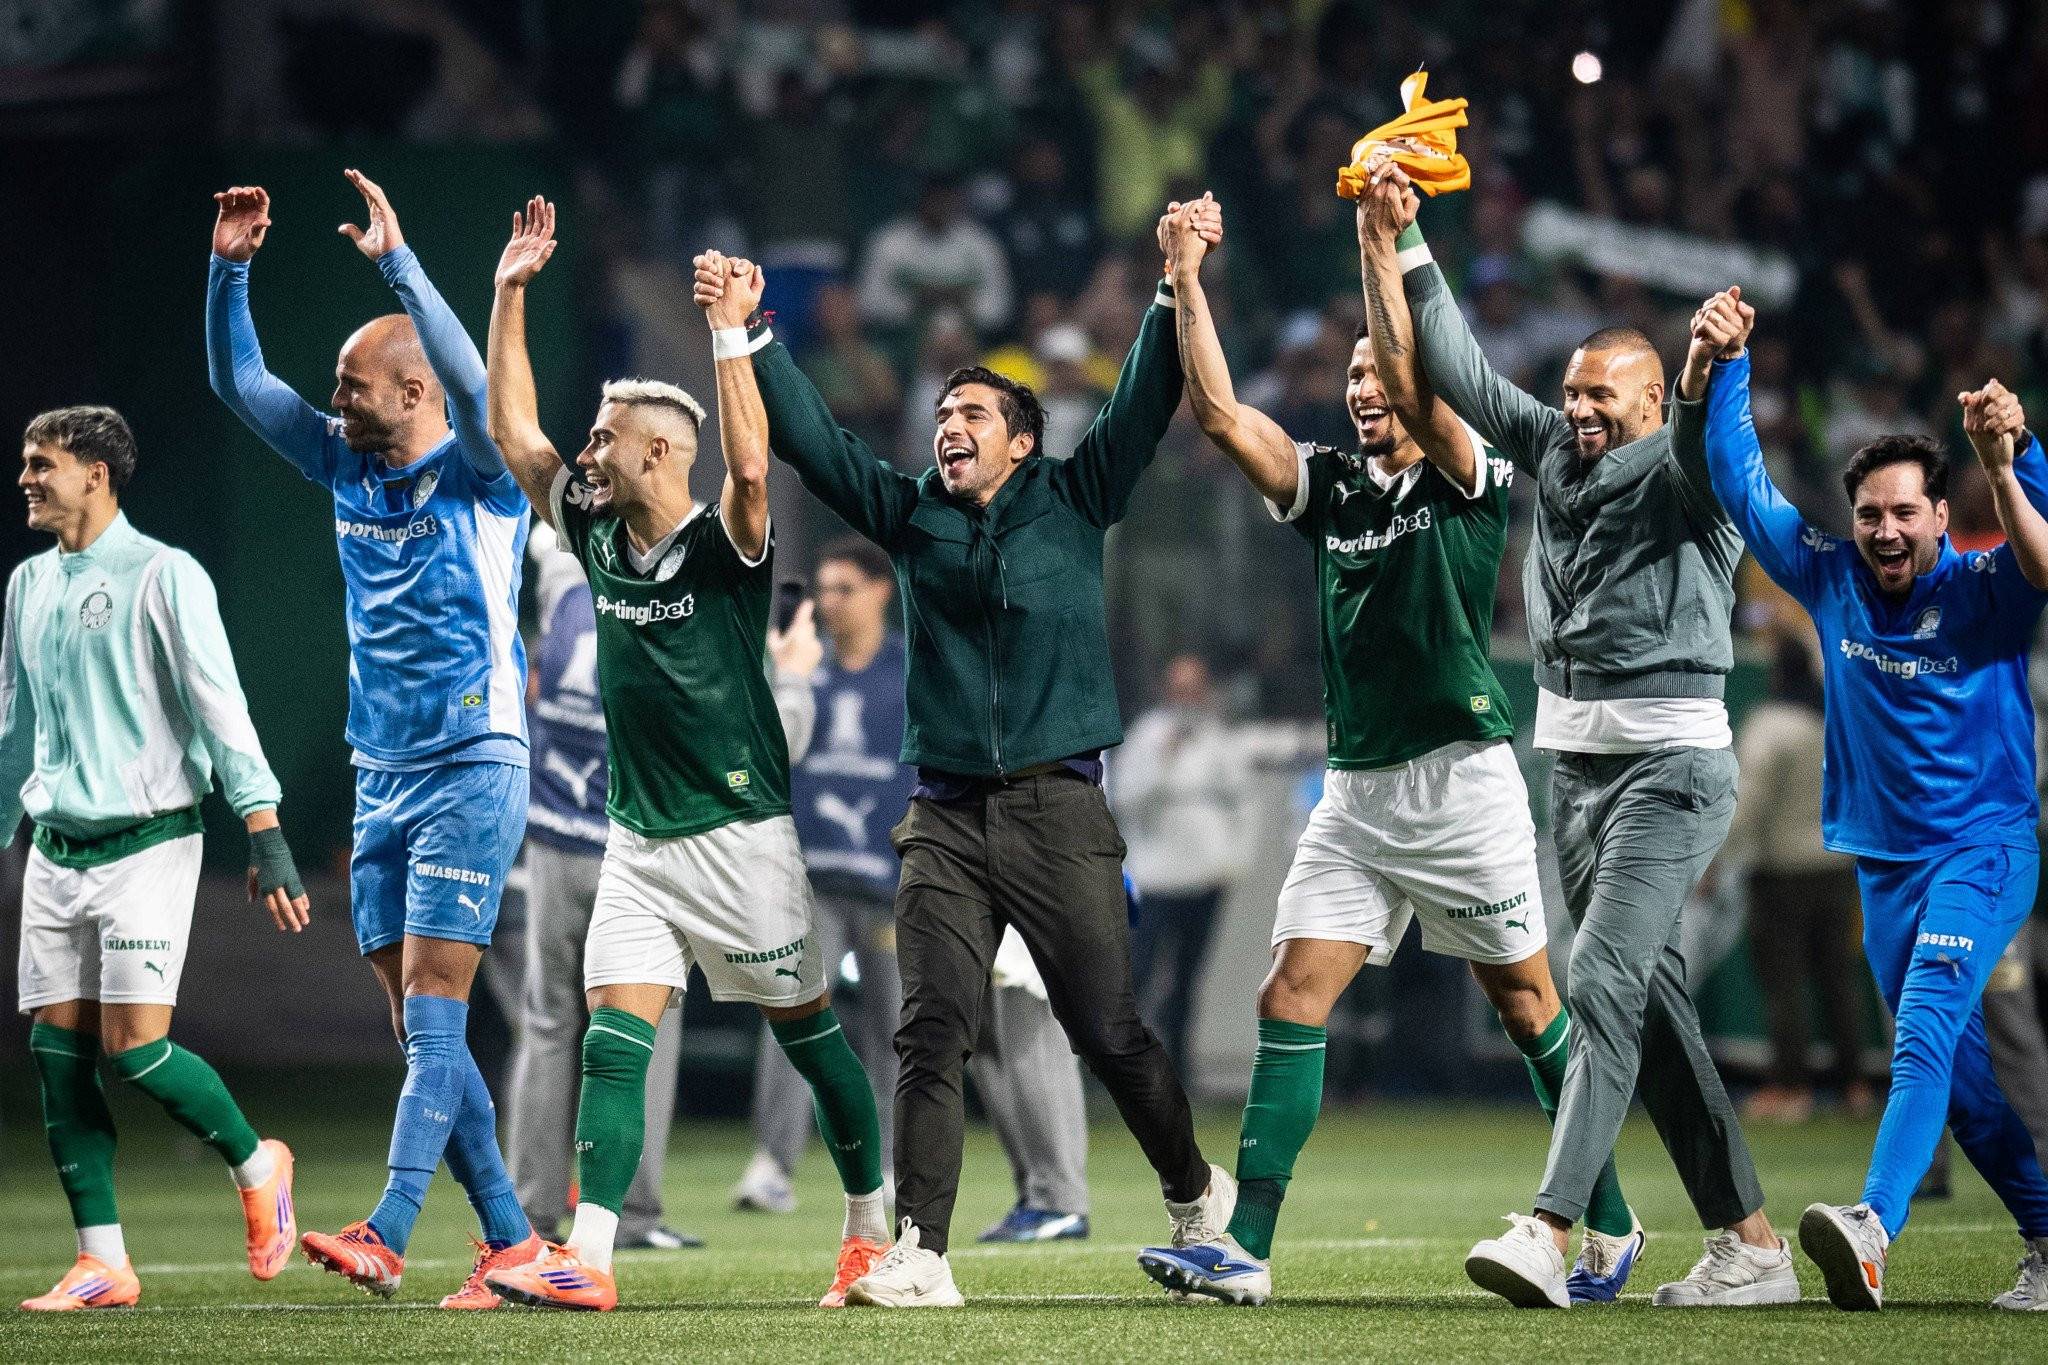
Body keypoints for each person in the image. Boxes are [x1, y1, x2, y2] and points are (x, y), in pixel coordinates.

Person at [694, 204, 1232, 1309]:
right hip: (940, 815)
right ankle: (922, 1252)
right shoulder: (909, 519)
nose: (949, 422)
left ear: (1022, 439)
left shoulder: (1078, 499)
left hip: (1058, 810)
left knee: (1108, 1030)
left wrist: (1174, 283)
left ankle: (1191, 1194)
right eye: (942, 410)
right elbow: (811, 441)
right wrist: (754, 334)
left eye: (973, 412)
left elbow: (1145, 395)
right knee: (928, 1028)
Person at [1135, 192, 1639, 1308]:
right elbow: (1219, 414)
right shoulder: (1333, 490)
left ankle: (1606, 1218)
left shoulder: (1467, 476)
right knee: (1288, 996)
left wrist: (1378, 241)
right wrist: (1183, 278)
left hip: (1461, 784)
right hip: (1357, 796)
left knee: (1523, 1006)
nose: (1364, 390)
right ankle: (1246, 1249)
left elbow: (1421, 380)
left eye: (1376, 375)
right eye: (1353, 378)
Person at [1376, 166, 1797, 1307]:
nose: (1576, 406)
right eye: (1571, 388)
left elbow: (1715, 431)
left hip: (1670, 770)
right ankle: (1751, 1246)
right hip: (1575, 770)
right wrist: (1409, 245)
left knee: (1596, 975)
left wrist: (1711, 361)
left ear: (1653, 402)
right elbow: (1459, 370)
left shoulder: (1689, 472)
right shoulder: (1554, 454)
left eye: (1602, 394)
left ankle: (1552, 1229)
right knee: (1649, 1012)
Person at [475, 199, 887, 1312]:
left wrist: (726, 335)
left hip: (743, 837)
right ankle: (594, 1259)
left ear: (660, 450)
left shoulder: (723, 547)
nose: (589, 452)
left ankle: (868, 1224)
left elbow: (753, 471)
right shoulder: (598, 533)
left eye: (607, 438)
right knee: (616, 1030)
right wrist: (509, 292)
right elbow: (516, 438)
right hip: (639, 839)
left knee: (808, 1036)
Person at [205, 174, 541, 1308]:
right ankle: (513, 1243)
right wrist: (230, 269)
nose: (335, 402)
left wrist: (402, 267)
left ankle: (390, 1228)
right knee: (417, 1029)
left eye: (354, 387)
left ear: (414, 388)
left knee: (439, 1008)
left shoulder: (484, 479)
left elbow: (481, 391)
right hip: (380, 775)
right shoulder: (344, 464)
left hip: (472, 762)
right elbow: (239, 382)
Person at [1696, 286, 2048, 1311]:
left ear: (1941, 517)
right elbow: (1739, 482)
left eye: (1903, 513)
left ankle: (1870, 1225)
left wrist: (2008, 460)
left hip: (1981, 849)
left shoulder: (1984, 589)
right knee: (1968, 1087)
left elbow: (2043, 557)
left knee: (1925, 1021)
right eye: (1869, 515)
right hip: (1885, 865)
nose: (1885, 531)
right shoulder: (1830, 579)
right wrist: (1726, 368)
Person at [5, 406, 309, 1311]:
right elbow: (15, 727)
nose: (25, 477)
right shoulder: (26, 582)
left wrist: (266, 828)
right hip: (56, 850)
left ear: (96, 473)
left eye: (40, 463)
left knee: (134, 1046)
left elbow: (221, 706)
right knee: (56, 1050)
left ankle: (261, 1165)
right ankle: (103, 1260)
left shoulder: (165, 574)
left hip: (148, 844)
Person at [505, 512, 826, 1252]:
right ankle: (633, 1214)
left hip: (553, 840)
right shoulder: (692, 615)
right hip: (638, 846)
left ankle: (528, 1212)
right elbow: (777, 740)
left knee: (549, 1026)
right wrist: (799, 677)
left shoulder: (568, 586)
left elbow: (543, 533)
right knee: (645, 1029)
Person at [734, 537, 908, 1216]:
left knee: (897, 1030)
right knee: (794, 1011)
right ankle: (772, 1162)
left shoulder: (908, 670)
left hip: (892, 885)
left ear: (880, 592)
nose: (829, 602)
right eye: (824, 590)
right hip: (814, 881)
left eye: (844, 589)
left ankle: (893, 1165)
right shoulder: (804, 669)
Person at [1715, 636, 1871, 1123]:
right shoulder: (1832, 724)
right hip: (1836, 866)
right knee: (1836, 980)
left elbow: (1749, 804)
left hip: (1781, 871)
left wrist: (1717, 861)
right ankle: (1854, 1085)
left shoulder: (1769, 726)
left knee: (1783, 982)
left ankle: (1790, 1086)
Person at [1113, 652, 1248, 1092]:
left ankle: (1181, 1072)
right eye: (1179, 686)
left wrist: (1233, 861)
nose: (1186, 696)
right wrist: (1163, 761)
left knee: (1188, 980)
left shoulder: (1220, 738)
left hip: (1204, 875)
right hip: (1154, 876)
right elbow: (1125, 798)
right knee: (1139, 976)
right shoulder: (1146, 735)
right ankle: (1127, 1071)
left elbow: (1244, 802)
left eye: (1194, 687)